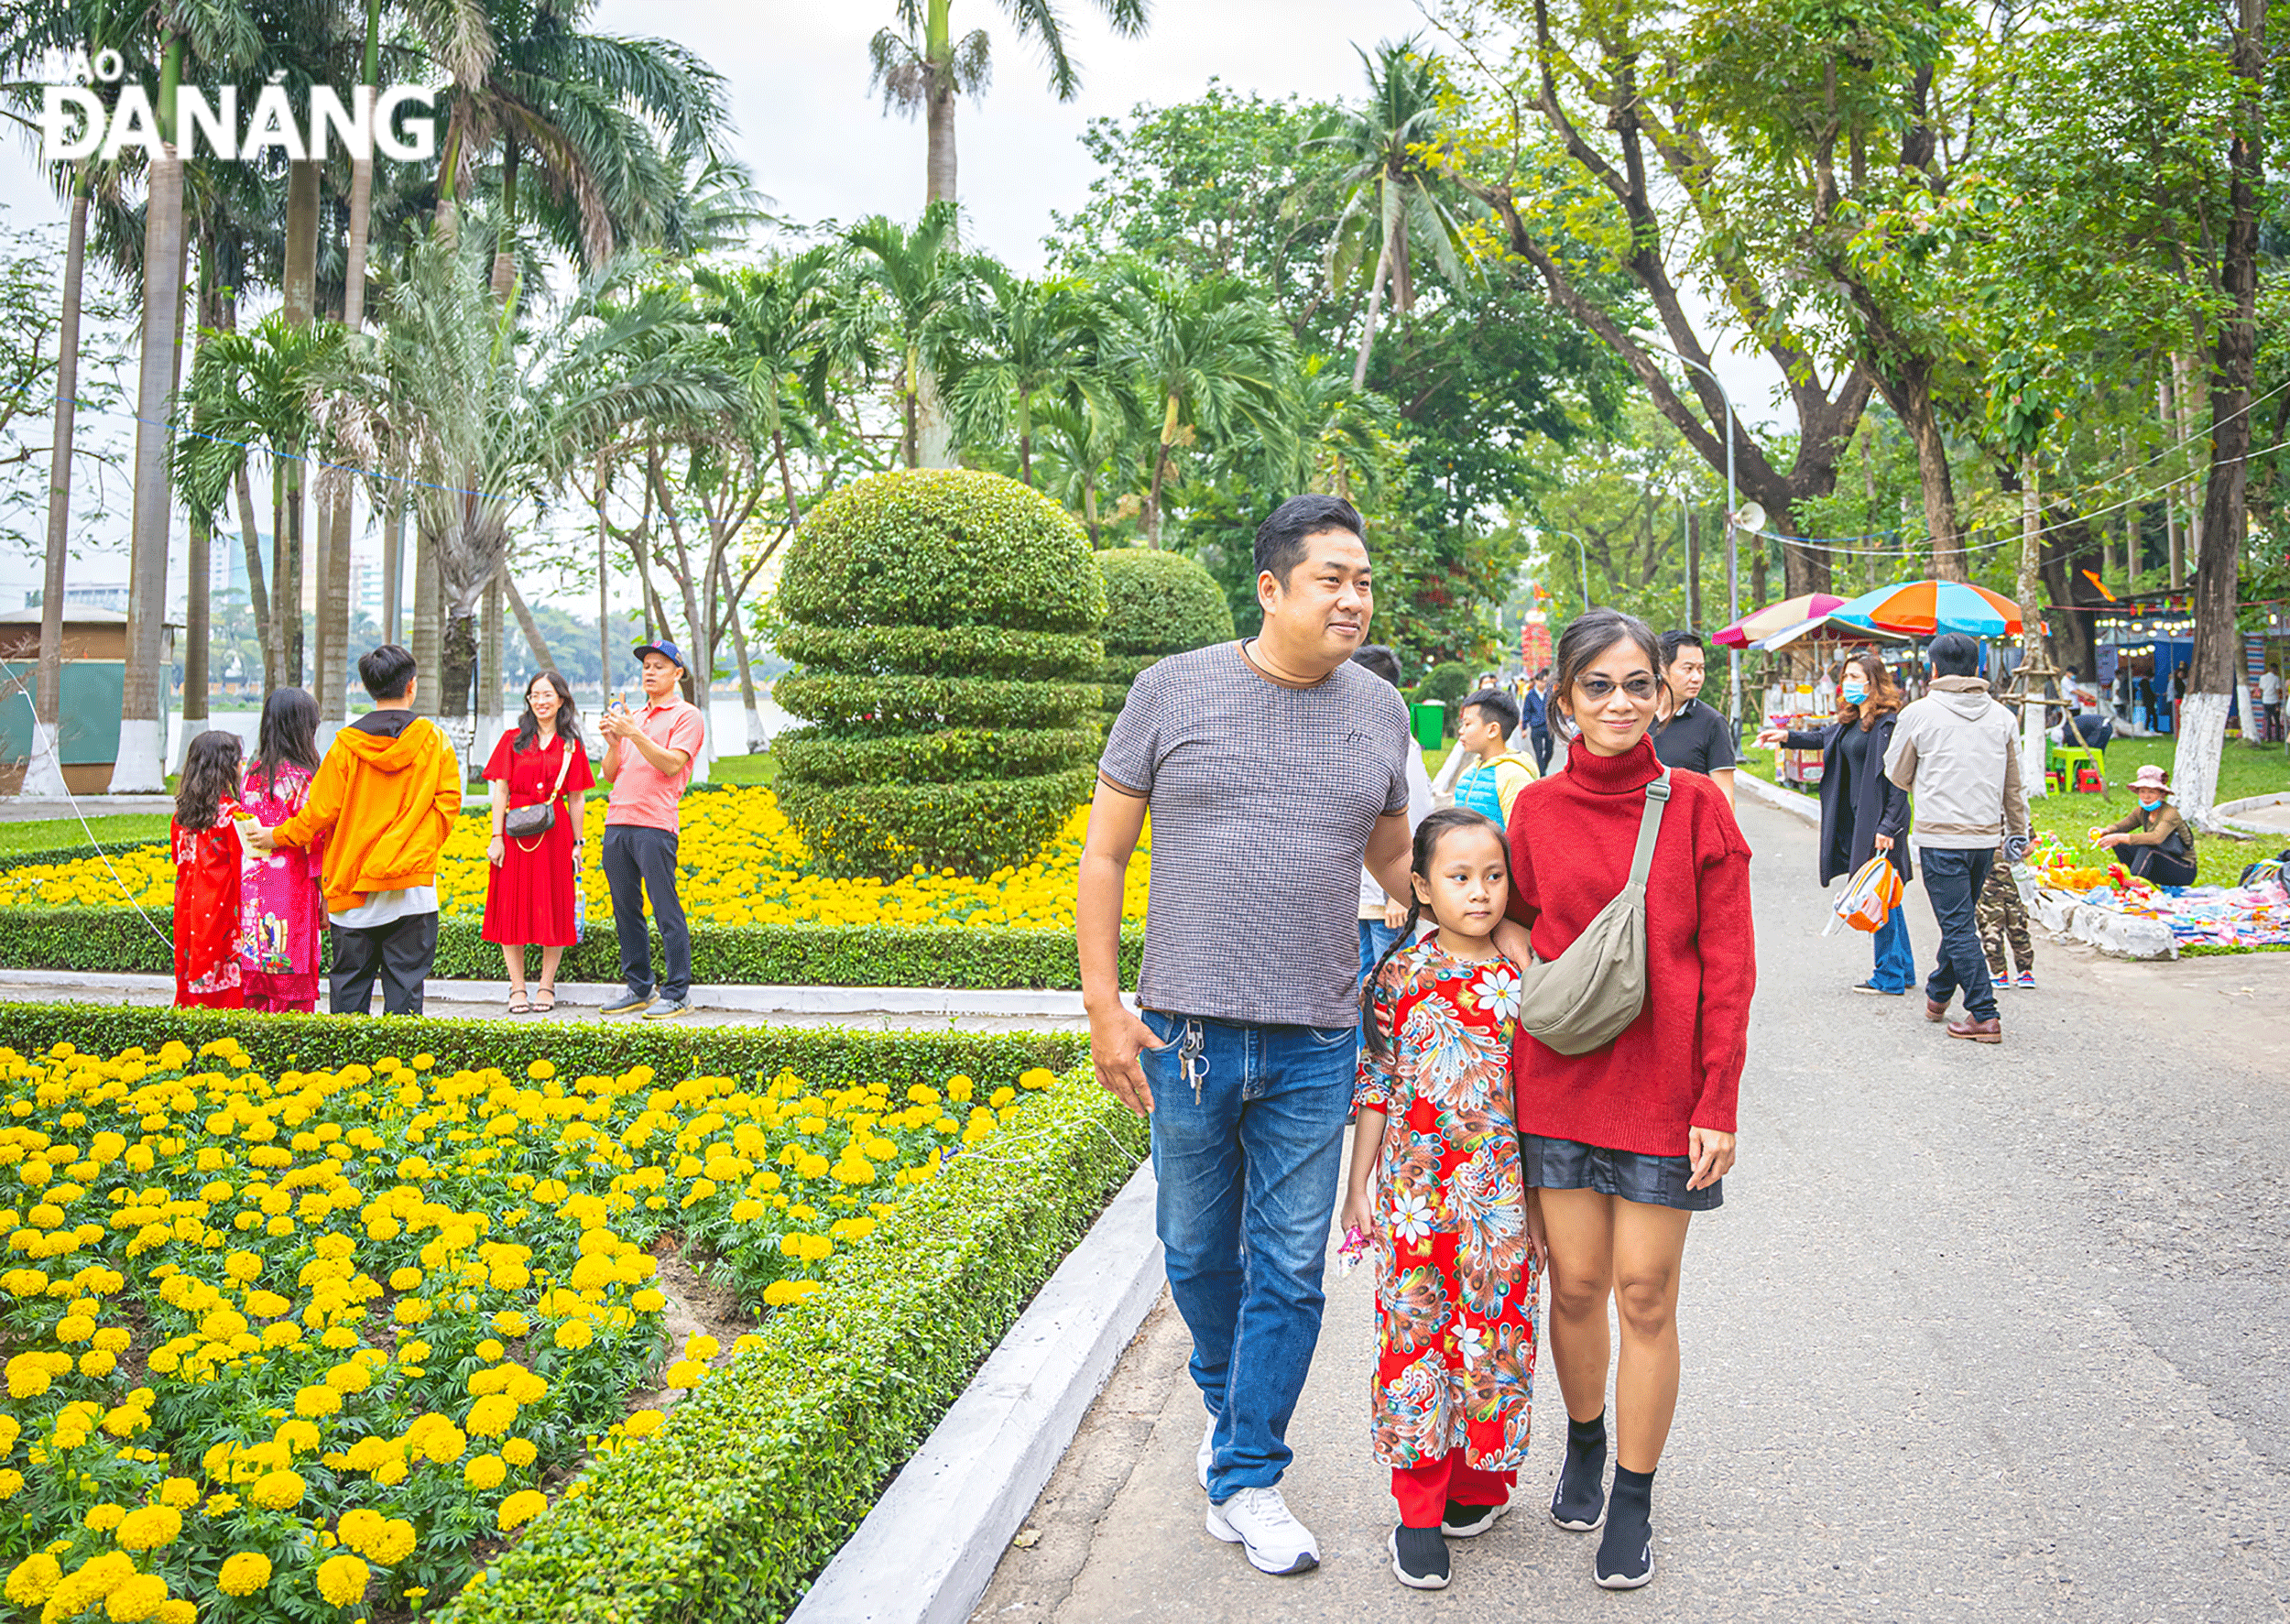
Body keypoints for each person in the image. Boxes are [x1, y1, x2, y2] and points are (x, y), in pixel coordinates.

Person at [1076, 493, 1414, 1579]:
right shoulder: (1170, 690)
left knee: (1290, 1268)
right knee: (1191, 1253)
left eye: (1362, 579)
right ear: (1270, 588)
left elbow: (1396, 866)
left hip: (1320, 1038)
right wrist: (1102, 1009)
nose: (1353, 598)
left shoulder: (1379, 711)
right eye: (1331, 579)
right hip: (1184, 1037)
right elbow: (1103, 860)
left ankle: (1248, 1474)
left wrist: (1494, 919)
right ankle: (1238, 1420)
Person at [1344, 808, 1543, 1592]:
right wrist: (1357, 1184)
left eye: (1494, 875)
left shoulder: (1523, 971)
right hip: (1416, 1198)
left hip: (1500, 1199)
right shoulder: (1397, 975)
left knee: (1496, 1338)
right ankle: (1418, 1507)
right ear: (1421, 886)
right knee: (1416, 1342)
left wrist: (1541, 1197)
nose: (1481, 892)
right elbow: (1377, 1085)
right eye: (1459, 877)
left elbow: (1544, 1091)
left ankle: (1478, 1486)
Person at [252, 643, 463, 1017]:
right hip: (410, 888)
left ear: (368, 688)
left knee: (349, 987)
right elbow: (447, 806)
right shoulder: (435, 741)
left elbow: (319, 814)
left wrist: (276, 836)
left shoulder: (345, 747)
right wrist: (409, 850)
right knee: (406, 990)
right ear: (411, 686)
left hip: (351, 886)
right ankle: (399, 1071)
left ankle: (345, 1072)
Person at [1882, 631, 2032, 1045]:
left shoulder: (1918, 714)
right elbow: (2014, 786)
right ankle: (1938, 995)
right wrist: (2017, 831)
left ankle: (1984, 1014)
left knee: (1958, 925)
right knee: (1960, 920)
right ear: (1978, 668)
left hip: (1940, 839)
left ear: (1933, 669)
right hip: (1985, 839)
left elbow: (1896, 772)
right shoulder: (2003, 717)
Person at [1753, 649, 1914, 995]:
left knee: (1875, 894)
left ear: (1875, 683)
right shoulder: (1853, 719)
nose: (1848, 684)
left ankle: (1889, 976)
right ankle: (1903, 968)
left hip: (1880, 823)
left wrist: (1888, 826)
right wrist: (1784, 737)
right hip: (1858, 819)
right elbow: (1822, 738)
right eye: (1846, 678)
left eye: (1856, 678)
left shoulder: (1887, 724)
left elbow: (1899, 782)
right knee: (1885, 892)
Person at [598, 640, 707, 1019]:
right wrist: (615, 742)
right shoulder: (634, 717)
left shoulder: (686, 716)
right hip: (617, 823)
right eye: (646, 665)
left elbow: (672, 765)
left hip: (655, 825)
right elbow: (611, 774)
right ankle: (639, 987)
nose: (650, 671)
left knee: (665, 908)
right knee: (625, 909)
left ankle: (677, 992)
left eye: (659, 666)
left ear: (678, 674)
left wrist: (634, 734)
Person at [484, 670, 596, 1014]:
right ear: (528, 701)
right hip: (514, 833)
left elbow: (576, 798)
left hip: (555, 833)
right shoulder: (512, 739)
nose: (541, 701)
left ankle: (546, 985)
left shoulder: (571, 745)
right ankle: (517, 987)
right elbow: (500, 790)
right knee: (510, 905)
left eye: (547, 695)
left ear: (561, 699)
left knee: (555, 904)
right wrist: (496, 837)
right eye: (535, 695)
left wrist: (578, 842)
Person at [1349, 645, 1436, 1050]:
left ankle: (1391, 1075)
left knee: (1392, 990)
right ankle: (1362, 1076)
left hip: (1389, 898)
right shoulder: (1354, 734)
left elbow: (1417, 822)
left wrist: (1398, 894)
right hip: (1361, 899)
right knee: (1361, 988)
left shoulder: (1400, 741)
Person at [235, 687, 326, 1013]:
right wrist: (325, 896)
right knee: (292, 983)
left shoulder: (251, 777)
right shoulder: (305, 781)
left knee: (256, 983)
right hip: (292, 891)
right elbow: (315, 841)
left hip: (252, 893)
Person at [171, 730, 248, 1010]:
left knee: (191, 974)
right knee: (227, 990)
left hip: (189, 913)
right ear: (227, 768)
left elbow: (177, 861)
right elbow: (243, 873)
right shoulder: (234, 816)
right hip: (224, 913)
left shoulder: (181, 817)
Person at [1648, 631, 1737, 806]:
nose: (1697, 678)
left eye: (1701, 669)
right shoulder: (1637, 714)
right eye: (1688, 669)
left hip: (1687, 827)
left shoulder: (1712, 722)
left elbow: (1725, 795)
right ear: (1662, 669)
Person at [2092, 764, 2198, 886]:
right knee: (2118, 840)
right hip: (2161, 862)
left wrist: (2120, 837)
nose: (2146, 796)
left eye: (2151, 792)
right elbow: (2121, 826)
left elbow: (2156, 838)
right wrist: (2104, 831)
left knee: (2147, 848)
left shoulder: (2170, 813)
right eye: (2142, 791)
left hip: (2183, 869)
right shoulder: (2142, 811)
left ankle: (2133, 884)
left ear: (2162, 794)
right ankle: (2131, 878)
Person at [1450, 688, 1538, 829]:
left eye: (1467, 724)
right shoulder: (1468, 772)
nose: (1461, 730)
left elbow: (1521, 835)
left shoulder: (1514, 777)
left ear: (1493, 730)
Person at [1979, 850, 2036, 990]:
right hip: (2014, 881)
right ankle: (2025, 971)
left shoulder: (1981, 826)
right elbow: (2030, 846)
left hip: (1988, 883)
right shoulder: (2018, 826)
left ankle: (1999, 973)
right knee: (2018, 925)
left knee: (1991, 927)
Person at [1521, 669, 1554, 774]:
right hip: (1536, 727)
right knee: (1538, 752)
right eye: (1542, 681)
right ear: (1536, 681)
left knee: (1549, 751)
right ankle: (1542, 774)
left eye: (1546, 682)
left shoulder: (1549, 694)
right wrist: (1524, 728)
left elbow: (1554, 708)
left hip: (1549, 727)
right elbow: (1526, 711)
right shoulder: (1530, 695)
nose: (1544, 684)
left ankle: (1541, 769)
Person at [2261, 664, 2283, 744]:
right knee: (2277, 721)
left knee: (2268, 720)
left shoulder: (2262, 677)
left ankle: (2268, 738)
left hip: (2265, 701)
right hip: (2274, 701)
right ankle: (2278, 738)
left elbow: (2261, 689)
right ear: (2275, 669)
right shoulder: (2276, 678)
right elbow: (2277, 690)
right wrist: (2278, 702)